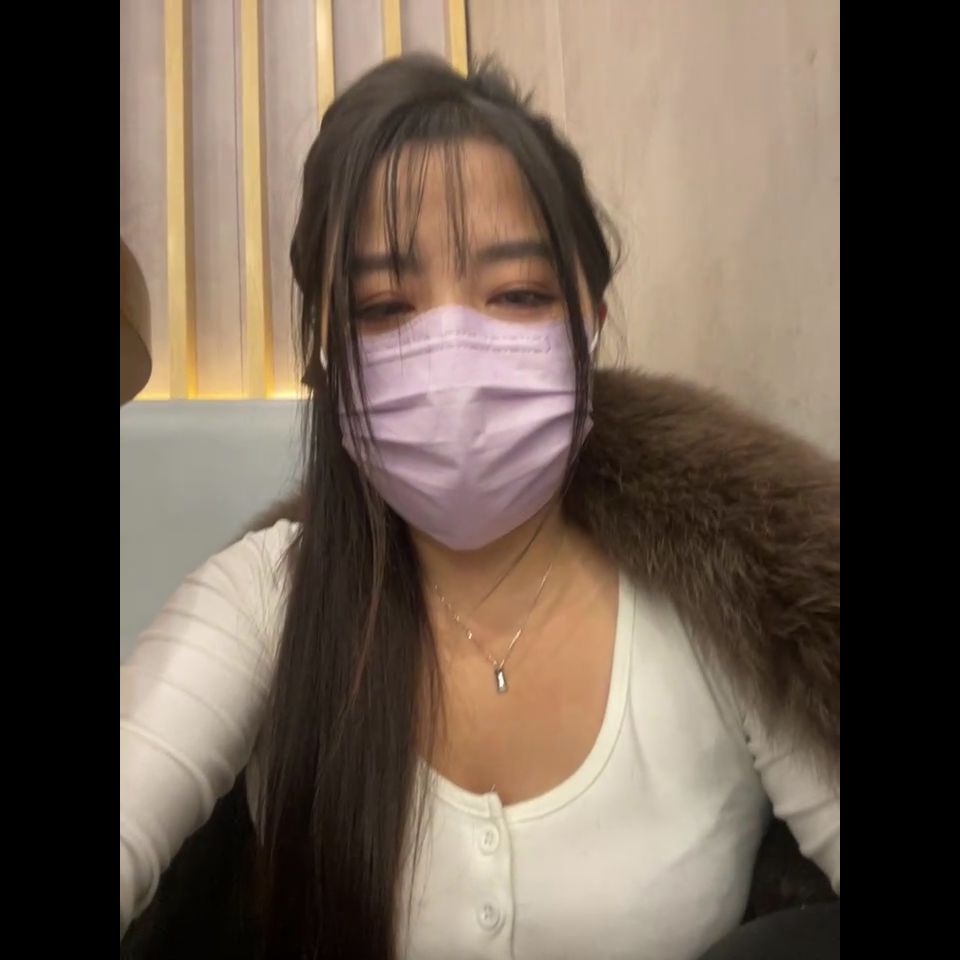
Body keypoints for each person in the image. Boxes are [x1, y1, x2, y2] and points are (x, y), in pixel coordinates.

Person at [120, 53, 839, 960]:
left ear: (590, 322)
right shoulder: (265, 600)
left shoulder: (722, 599)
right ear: (329, 354)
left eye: (519, 295)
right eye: (385, 307)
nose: (452, 352)